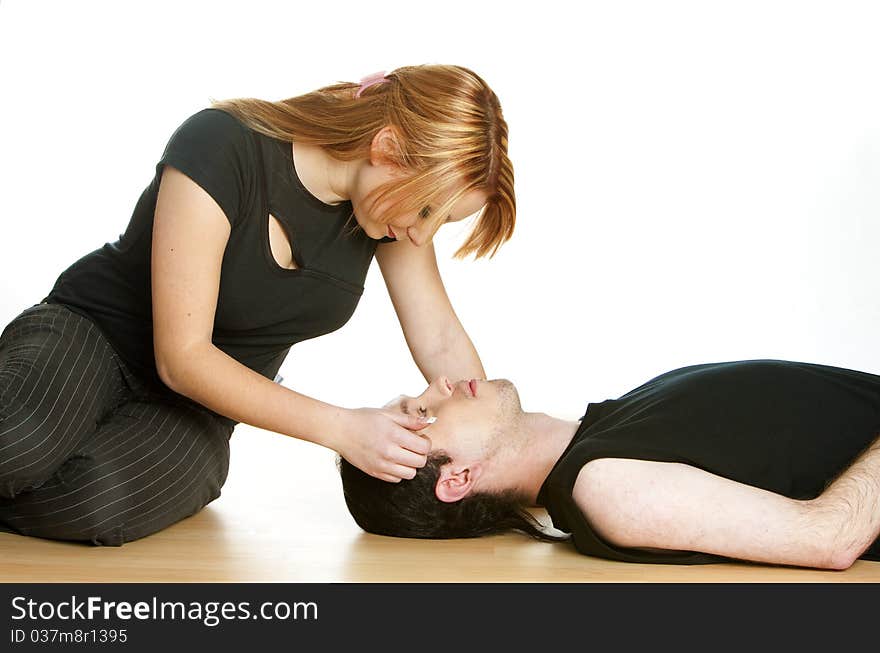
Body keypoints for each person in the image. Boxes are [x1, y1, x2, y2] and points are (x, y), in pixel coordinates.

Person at [0, 64, 514, 546]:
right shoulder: (223, 143)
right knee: (14, 447)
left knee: (93, 503)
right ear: (386, 147)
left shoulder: (386, 218)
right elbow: (182, 358)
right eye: (426, 209)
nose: (422, 235)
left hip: (203, 408)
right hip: (95, 336)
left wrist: (500, 447)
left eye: (440, 222)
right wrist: (344, 429)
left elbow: (440, 337)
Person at [339, 361, 880, 569]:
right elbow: (829, 537)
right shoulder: (606, 487)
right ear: (456, 478)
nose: (439, 385)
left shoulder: (607, 431)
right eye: (425, 414)